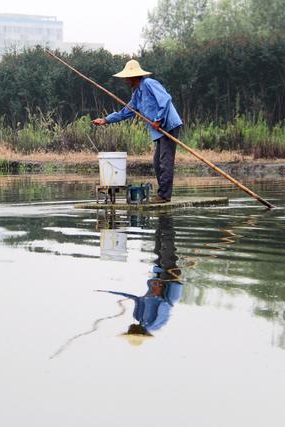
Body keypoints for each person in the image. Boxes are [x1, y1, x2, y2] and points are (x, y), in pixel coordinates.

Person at [92, 60, 183, 204]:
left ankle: (164, 196)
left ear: (134, 77)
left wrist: (158, 119)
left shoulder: (149, 84)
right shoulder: (137, 95)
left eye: (127, 78)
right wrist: (105, 120)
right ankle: (163, 194)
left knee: (165, 162)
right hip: (159, 130)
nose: (125, 81)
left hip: (168, 125)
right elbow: (125, 112)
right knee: (157, 162)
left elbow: (165, 100)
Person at [98, 215, 183, 345]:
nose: (129, 328)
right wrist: (158, 290)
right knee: (167, 251)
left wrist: (111, 292)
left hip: (156, 283)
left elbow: (136, 299)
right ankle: (167, 221)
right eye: (130, 330)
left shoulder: (138, 318)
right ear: (137, 332)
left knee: (158, 249)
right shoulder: (154, 324)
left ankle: (163, 220)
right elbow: (165, 305)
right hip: (169, 285)